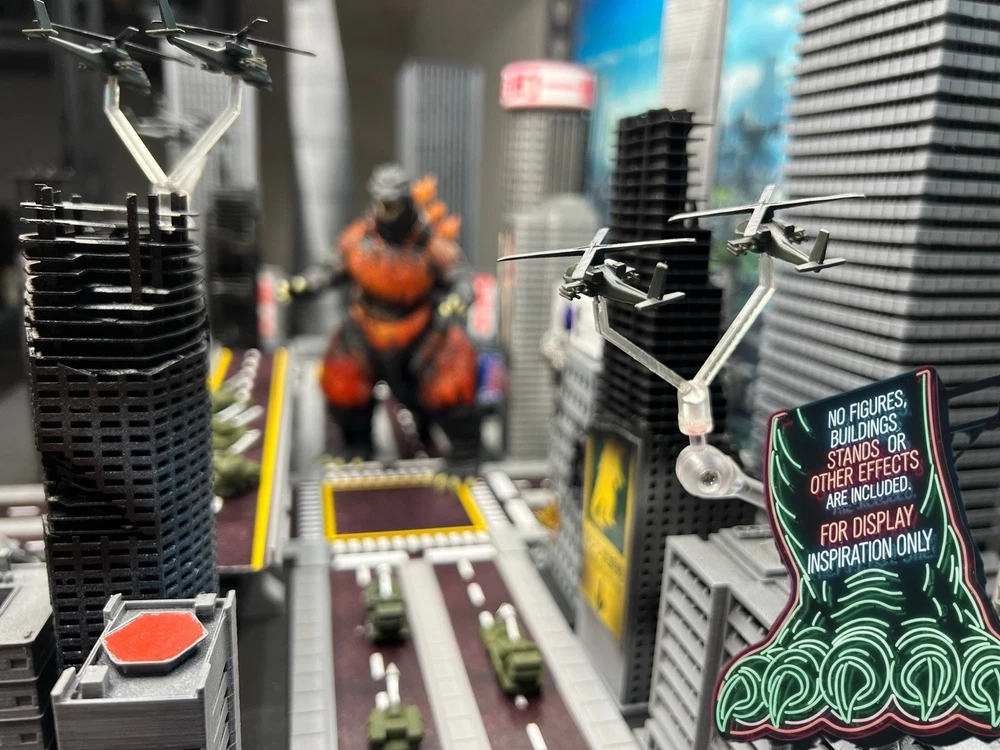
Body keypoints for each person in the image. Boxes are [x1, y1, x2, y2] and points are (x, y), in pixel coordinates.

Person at [284, 164, 478, 456]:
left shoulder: (430, 243)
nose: (387, 211)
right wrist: (305, 285)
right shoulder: (358, 238)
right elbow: (331, 267)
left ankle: (463, 453)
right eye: (382, 202)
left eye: (394, 203)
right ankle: (356, 448)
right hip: (365, 329)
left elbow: (460, 276)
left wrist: (460, 297)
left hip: (420, 332)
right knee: (343, 380)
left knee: (451, 380)